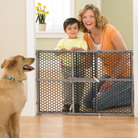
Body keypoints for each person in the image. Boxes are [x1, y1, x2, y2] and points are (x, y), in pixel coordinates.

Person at [77, 4, 131, 110]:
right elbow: (88, 65)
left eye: (91, 16)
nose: (88, 20)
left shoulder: (110, 30)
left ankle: (133, 93)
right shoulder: (86, 36)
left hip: (124, 75)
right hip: (107, 75)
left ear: (97, 17)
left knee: (97, 103)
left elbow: (126, 56)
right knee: (86, 101)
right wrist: (82, 54)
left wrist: (113, 78)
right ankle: (120, 92)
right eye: (84, 17)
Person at [54, 17, 87, 112]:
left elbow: (85, 51)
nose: (73, 30)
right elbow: (56, 53)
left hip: (79, 67)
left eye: (75, 28)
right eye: (70, 28)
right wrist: (60, 51)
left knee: (79, 86)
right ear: (65, 31)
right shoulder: (62, 42)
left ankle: (77, 105)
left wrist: (77, 49)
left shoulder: (81, 41)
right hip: (66, 67)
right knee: (67, 86)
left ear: (79, 29)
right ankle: (67, 104)